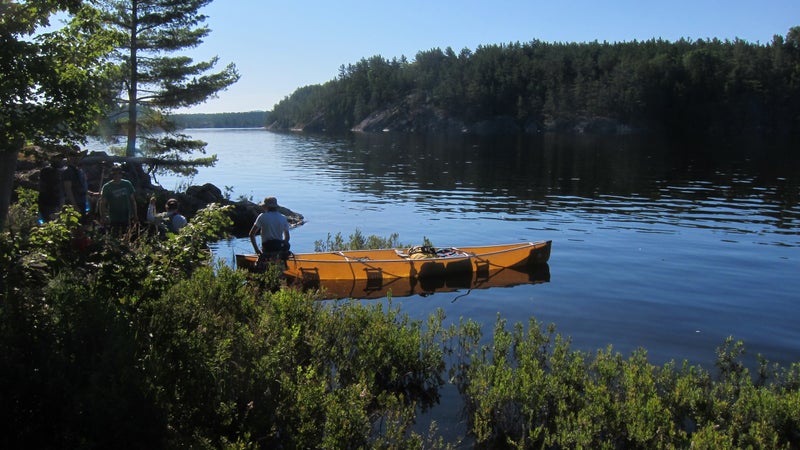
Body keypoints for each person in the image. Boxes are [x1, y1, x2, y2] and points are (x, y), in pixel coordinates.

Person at [98, 164, 138, 234]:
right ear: (112, 175)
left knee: (126, 235)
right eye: (114, 173)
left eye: (119, 173)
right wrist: (103, 217)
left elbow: (133, 200)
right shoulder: (107, 187)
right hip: (113, 217)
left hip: (126, 215)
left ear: (121, 174)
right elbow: (102, 203)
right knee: (114, 236)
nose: (117, 175)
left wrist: (135, 215)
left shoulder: (127, 184)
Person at [62, 147, 89, 220]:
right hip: (74, 203)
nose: (76, 158)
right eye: (73, 155)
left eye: (77, 156)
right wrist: (74, 205)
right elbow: (68, 189)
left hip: (82, 201)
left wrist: (91, 194)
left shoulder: (79, 171)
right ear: (69, 157)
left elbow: (82, 186)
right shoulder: (68, 171)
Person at [38, 155, 64, 223]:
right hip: (49, 203)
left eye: (61, 159)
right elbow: (43, 187)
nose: (60, 161)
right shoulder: (47, 171)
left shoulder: (60, 171)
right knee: (50, 222)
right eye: (58, 159)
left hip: (56, 202)